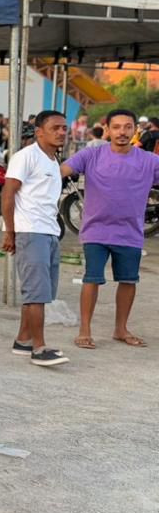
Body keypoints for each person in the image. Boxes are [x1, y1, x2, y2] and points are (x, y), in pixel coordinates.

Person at [62, 109, 159, 349]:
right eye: (116, 127)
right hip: (96, 230)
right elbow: (62, 171)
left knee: (128, 281)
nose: (122, 132)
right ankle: (85, 330)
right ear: (108, 130)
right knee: (92, 279)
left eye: (128, 127)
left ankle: (120, 329)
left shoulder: (149, 161)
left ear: (135, 129)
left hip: (130, 232)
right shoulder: (92, 155)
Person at [2, 110, 70, 366]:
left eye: (64, 127)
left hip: (49, 231)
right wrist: (10, 231)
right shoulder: (26, 157)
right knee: (37, 293)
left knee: (40, 291)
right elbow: (8, 194)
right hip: (30, 231)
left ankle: (24, 339)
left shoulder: (52, 160)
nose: (62, 132)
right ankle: (39, 348)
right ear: (39, 131)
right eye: (56, 127)